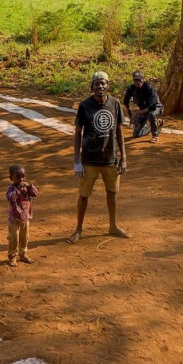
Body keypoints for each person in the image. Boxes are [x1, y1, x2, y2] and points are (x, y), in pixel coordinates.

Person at [67, 71, 128, 243]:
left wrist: (123, 157)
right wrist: (77, 161)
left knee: (112, 193)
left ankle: (113, 226)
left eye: (103, 83)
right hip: (89, 159)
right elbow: (78, 133)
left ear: (108, 85)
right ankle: (78, 229)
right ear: (92, 86)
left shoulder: (115, 104)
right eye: (97, 84)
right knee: (84, 195)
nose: (100, 86)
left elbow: (118, 131)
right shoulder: (85, 105)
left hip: (110, 159)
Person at [5, 164, 39, 267]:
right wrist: (17, 190)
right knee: (14, 239)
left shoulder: (27, 188)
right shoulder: (11, 189)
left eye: (23, 176)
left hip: (25, 217)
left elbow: (35, 194)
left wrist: (30, 186)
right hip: (14, 219)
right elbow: (10, 198)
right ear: (11, 178)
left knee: (25, 237)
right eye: (18, 177)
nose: (21, 179)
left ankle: (23, 254)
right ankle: (12, 257)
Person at [123, 71, 164, 143]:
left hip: (156, 108)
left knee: (152, 114)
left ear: (143, 79)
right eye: (135, 80)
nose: (137, 82)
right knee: (136, 134)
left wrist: (137, 114)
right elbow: (126, 103)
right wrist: (131, 117)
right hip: (143, 111)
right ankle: (156, 125)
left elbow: (152, 107)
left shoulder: (149, 88)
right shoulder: (131, 88)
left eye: (139, 80)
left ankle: (155, 135)